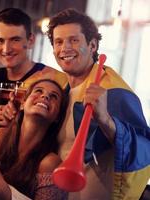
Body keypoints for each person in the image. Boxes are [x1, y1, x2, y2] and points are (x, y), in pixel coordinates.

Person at [46, 8, 150, 199]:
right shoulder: (60, 89)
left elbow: (144, 148)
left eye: (74, 40)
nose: (65, 48)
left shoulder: (114, 90)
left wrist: (105, 120)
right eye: (58, 42)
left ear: (92, 45)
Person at [0, 8, 67, 128]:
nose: (6, 49)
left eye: (15, 40)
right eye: (0, 41)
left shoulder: (53, 79)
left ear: (31, 41)